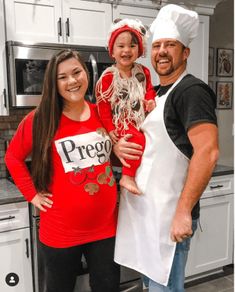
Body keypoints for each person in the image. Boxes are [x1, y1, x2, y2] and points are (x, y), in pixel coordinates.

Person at [113, 4, 219, 292]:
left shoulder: (191, 91)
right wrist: (119, 145)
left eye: (170, 45)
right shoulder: (154, 92)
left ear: (185, 52)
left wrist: (184, 212)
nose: (161, 51)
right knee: (151, 286)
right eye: (157, 45)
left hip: (170, 216)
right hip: (147, 213)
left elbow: (208, 152)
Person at [5, 49, 120, 292]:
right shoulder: (41, 119)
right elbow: (13, 158)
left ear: (86, 73)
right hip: (61, 231)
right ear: (54, 83)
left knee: (108, 287)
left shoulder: (102, 112)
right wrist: (32, 195)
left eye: (77, 72)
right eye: (63, 77)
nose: (72, 81)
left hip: (106, 227)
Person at [96, 18, 156, 195]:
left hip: (139, 119)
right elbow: (103, 107)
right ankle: (127, 177)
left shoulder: (143, 72)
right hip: (120, 123)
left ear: (140, 50)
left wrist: (150, 100)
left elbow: (149, 90)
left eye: (132, 46)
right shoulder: (108, 78)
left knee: (145, 140)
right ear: (112, 51)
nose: (126, 50)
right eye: (120, 46)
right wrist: (109, 128)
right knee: (137, 140)